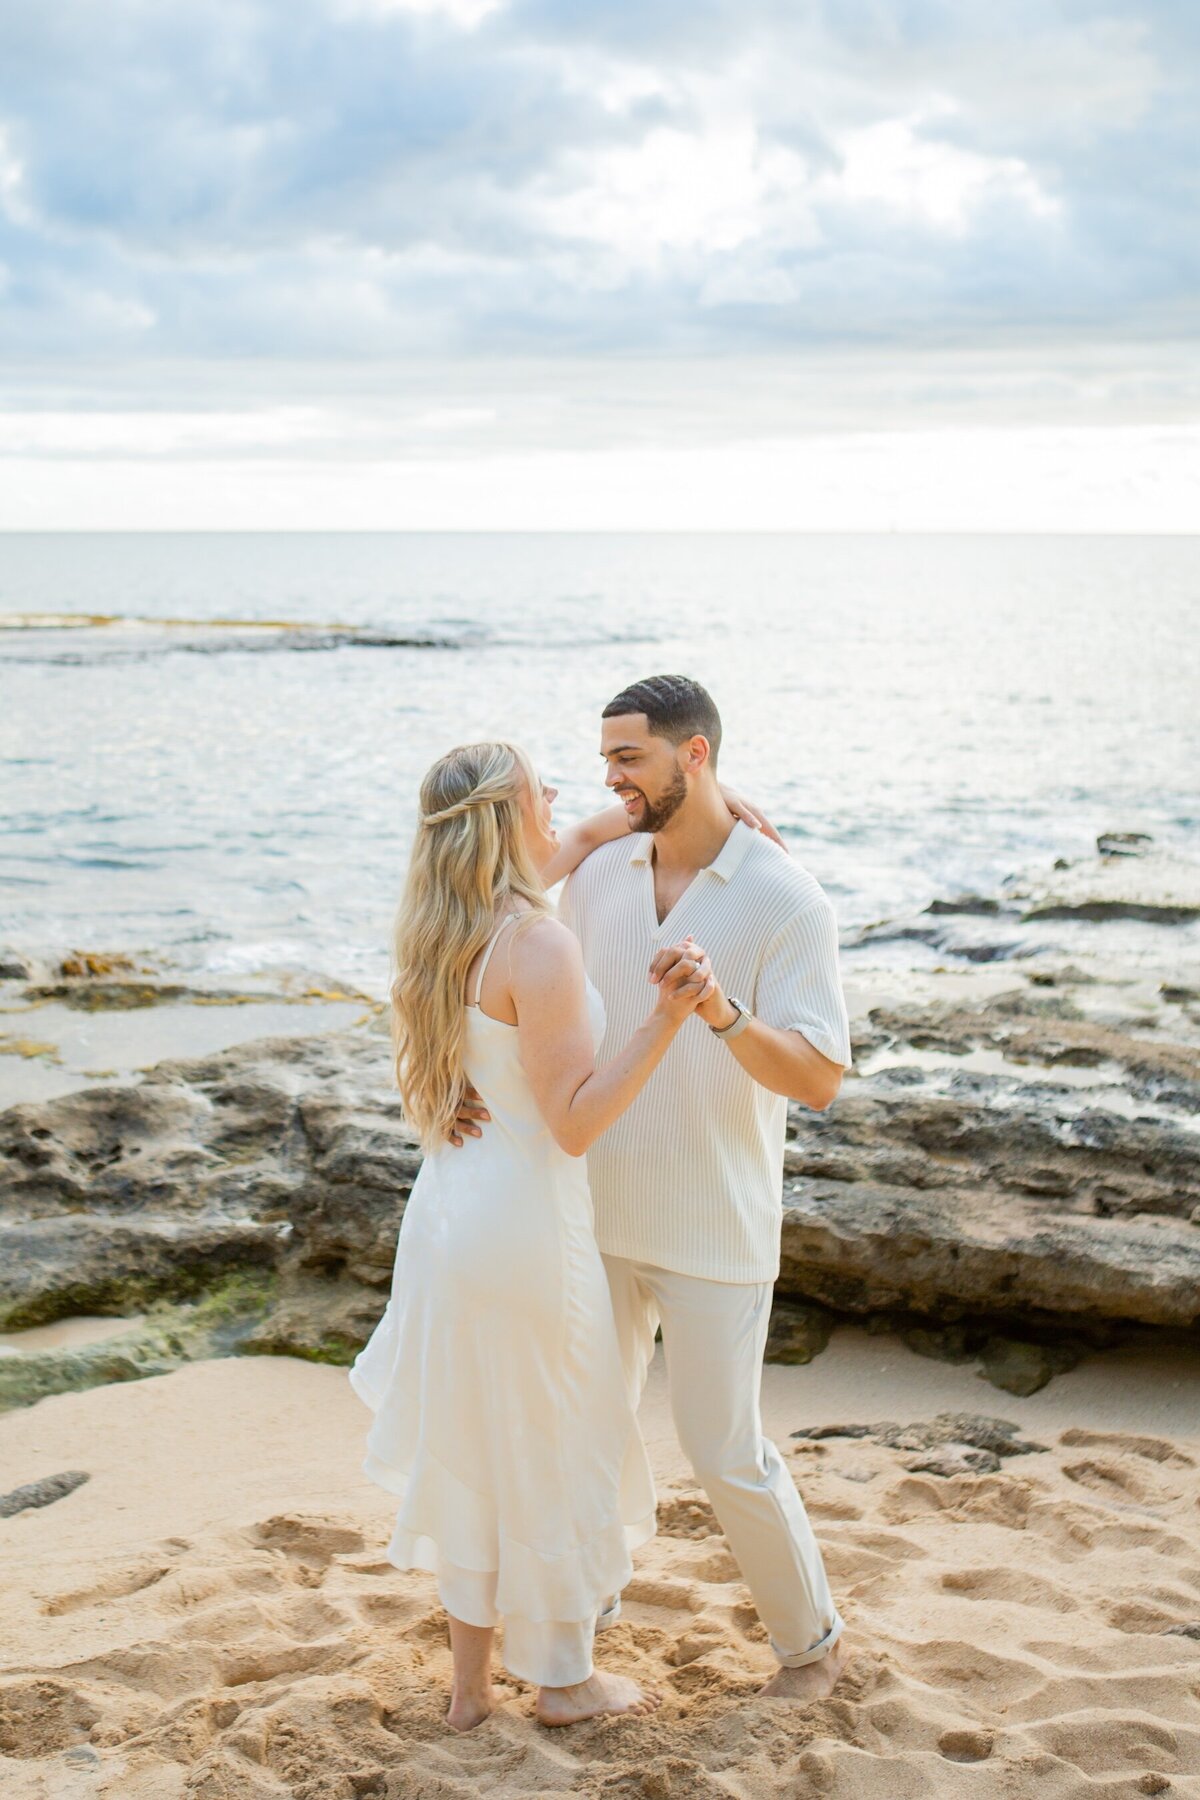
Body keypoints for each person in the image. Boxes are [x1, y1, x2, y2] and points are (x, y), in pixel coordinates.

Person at [350, 739, 770, 1732]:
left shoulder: (436, 924)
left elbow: (589, 831)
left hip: (451, 1214)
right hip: (527, 1226)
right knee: (554, 1448)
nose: (564, 800)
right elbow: (575, 1120)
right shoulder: (538, 945)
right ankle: (563, 1682)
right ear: (508, 817)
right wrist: (670, 1017)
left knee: (480, 1446)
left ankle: (467, 1694)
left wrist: (705, 799)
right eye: (544, 787)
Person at [455, 677, 855, 1701]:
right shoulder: (594, 873)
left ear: (697, 755)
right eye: (604, 760)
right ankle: (581, 1618)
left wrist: (720, 1012)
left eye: (629, 759)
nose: (610, 775)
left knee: (724, 1451)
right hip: (591, 1212)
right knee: (582, 1429)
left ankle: (809, 1643)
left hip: (716, 1220)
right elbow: (475, 923)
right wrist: (457, 1076)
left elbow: (816, 1079)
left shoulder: (785, 897)